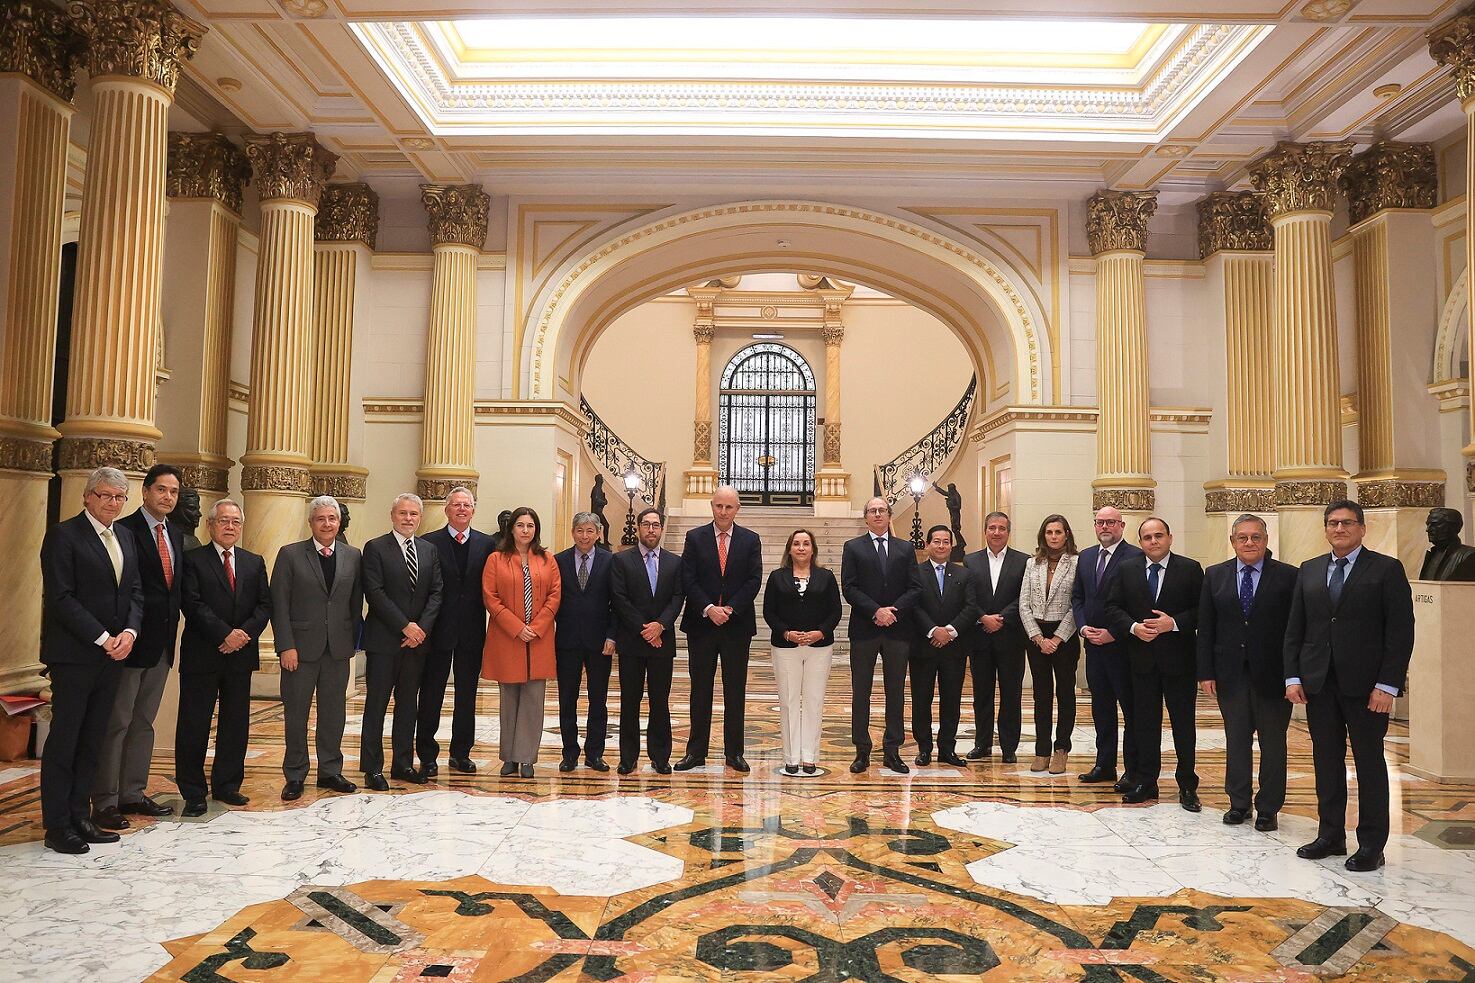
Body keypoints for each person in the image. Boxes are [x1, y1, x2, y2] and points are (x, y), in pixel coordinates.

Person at [1286, 499, 1414, 873]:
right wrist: (1293, 676)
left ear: (1362, 528)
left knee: (1369, 763)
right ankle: (1330, 835)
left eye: (1347, 523)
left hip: (1367, 687)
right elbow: (1296, 628)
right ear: (1325, 529)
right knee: (1326, 761)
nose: (1339, 529)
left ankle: (1372, 844)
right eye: (1332, 523)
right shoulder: (1309, 570)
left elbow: (1400, 632)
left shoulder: (1386, 569)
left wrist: (1388, 684)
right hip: (1319, 683)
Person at [38, 467, 143, 854]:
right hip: (74, 655)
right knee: (65, 740)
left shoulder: (125, 537)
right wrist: (102, 638)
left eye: (119, 497)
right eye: (105, 495)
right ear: (87, 496)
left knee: (93, 738)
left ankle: (81, 817)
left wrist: (129, 633)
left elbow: (135, 591)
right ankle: (57, 825)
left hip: (113, 655)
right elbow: (61, 597)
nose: (112, 503)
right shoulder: (64, 536)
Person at [93, 463, 185, 829]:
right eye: (161, 489)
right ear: (145, 492)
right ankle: (105, 799)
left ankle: (132, 791)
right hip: (129, 644)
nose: (167, 497)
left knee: (144, 722)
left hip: (162, 645)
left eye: (173, 491)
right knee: (117, 722)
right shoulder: (125, 530)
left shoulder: (175, 534)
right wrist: (123, 634)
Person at [1197, 514, 1295, 830]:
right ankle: (1238, 803)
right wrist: (1205, 672)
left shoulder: (1288, 576)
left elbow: (1295, 630)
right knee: (1236, 740)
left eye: (1255, 537)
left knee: (1273, 744)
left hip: (1274, 675)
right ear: (1233, 541)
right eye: (1243, 537)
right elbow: (1206, 627)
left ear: (1266, 539)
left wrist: (1294, 675)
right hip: (1230, 674)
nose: (1249, 542)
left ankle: (1268, 807)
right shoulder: (1215, 575)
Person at [175, 498, 271, 816]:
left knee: (235, 723)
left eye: (235, 522)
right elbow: (192, 603)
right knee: (194, 724)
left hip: (240, 656)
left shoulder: (253, 562)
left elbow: (264, 606)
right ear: (210, 525)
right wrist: (224, 635)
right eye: (223, 521)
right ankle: (193, 791)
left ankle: (227, 785)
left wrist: (241, 635)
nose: (230, 526)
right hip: (203, 653)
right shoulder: (193, 560)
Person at [1106, 516, 1204, 811]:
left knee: (1183, 725)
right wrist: (1134, 627)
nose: (1154, 541)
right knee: (1145, 724)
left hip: (1180, 662)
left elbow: (1202, 611)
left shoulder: (1190, 569)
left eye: (1159, 535)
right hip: (1141, 661)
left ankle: (1187, 784)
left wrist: (1173, 623)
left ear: (1170, 538)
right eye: (1147, 537)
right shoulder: (1127, 569)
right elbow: (1112, 607)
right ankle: (1146, 781)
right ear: (1140, 542)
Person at [270, 495, 361, 801]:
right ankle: (295, 774)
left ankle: (330, 770)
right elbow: (279, 604)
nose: (327, 524)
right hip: (299, 650)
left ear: (339, 522)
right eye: (320, 518)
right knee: (296, 714)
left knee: (334, 713)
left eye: (332, 518)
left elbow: (354, 603)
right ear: (310, 522)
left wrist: (351, 641)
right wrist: (285, 645)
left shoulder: (353, 555)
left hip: (337, 649)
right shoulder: (290, 554)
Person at [677, 486, 763, 773]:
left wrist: (730, 608)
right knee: (700, 690)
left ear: (737, 509)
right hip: (701, 625)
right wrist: (708, 608)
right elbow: (688, 578)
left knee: (735, 691)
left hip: (736, 626)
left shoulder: (750, 540)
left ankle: (734, 753)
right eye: (719, 506)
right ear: (712, 506)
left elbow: (754, 580)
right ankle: (695, 752)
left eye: (729, 507)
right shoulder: (695, 538)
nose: (723, 512)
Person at [361, 493, 444, 790]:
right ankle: (372, 768)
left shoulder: (428, 550)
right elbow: (375, 592)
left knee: (408, 705)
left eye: (413, 514)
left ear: (420, 518)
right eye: (403, 513)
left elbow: (436, 592)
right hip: (385, 641)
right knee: (377, 705)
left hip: (417, 643)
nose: (408, 518)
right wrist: (404, 626)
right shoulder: (375, 548)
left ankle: (403, 763)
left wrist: (421, 629)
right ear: (392, 515)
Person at [841, 496, 922, 774]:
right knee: (861, 691)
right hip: (865, 628)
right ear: (865, 517)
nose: (877, 514)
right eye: (872, 511)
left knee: (895, 691)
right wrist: (876, 611)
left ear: (889, 515)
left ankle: (892, 750)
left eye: (882, 510)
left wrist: (893, 611)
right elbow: (849, 587)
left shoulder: (905, 548)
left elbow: (915, 587)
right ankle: (862, 750)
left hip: (898, 629)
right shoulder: (853, 547)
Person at [417, 486, 493, 776]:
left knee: (467, 695)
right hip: (437, 630)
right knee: (431, 693)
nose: (462, 509)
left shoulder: (487, 544)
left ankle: (461, 753)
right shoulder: (429, 542)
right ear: (447, 510)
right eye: (456, 505)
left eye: (467, 505)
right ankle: (427, 755)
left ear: (473, 511)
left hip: (472, 630)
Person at [482, 506, 561, 778]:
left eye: (530, 525)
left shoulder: (547, 559)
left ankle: (526, 757)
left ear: (536, 529)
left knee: (533, 700)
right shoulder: (496, 559)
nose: (525, 530)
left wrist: (536, 627)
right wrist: (517, 627)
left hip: (539, 639)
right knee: (509, 699)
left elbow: (554, 596)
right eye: (520, 525)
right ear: (511, 529)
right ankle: (509, 757)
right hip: (507, 638)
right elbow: (491, 597)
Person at [1071, 505, 1144, 791]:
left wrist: (1114, 633)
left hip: (1123, 647)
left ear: (1122, 526)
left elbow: (1137, 604)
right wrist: (1083, 627)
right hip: (1093, 647)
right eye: (1100, 522)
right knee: (1101, 708)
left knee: (1130, 710)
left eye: (1111, 522)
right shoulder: (1087, 556)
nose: (1105, 527)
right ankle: (1104, 764)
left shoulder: (1136, 556)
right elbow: (1078, 597)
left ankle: (1132, 769)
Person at [610, 508, 685, 774]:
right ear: (639, 528)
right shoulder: (621, 560)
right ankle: (628, 757)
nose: (651, 529)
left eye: (655, 525)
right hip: (632, 642)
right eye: (646, 524)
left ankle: (660, 756)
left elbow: (678, 597)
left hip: (662, 642)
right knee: (630, 700)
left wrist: (660, 626)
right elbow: (619, 599)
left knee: (659, 701)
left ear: (661, 529)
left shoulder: (675, 562)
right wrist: (645, 629)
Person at [763, 529, 842, 775]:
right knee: (788, 702)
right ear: (789, 549)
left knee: (813, 701)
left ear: (813, 549)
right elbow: (769, 611)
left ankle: (809, 756)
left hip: (819, 647)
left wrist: (821, 632)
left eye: (806, 544)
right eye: (796, 543)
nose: (801, 548)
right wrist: (786, 633)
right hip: (786, 647)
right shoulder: (777, 577)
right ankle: (791, 757)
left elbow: (835, 611)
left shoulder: (826, 577)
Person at [908, 525, 981, 768]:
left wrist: (949, 631)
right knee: (921, 699)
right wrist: (932, 630)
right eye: (936, 541)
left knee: (951, 700)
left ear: (951, 545)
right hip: (923, 646)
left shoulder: (964, 574)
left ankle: (947, 749)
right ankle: (924, 748)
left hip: (954, 648)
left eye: (946, 542)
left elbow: (971, 607)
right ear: (928, 544)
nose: (941, 546)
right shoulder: (915, 573)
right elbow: (913, 606)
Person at [554, 512, 617, 772]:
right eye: (580, 530)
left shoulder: (610, 561)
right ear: (573, 532)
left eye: (590, 531)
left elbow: (616, 603)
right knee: (567, 698)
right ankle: (569, 753)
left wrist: (612, 635)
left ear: (598, 533)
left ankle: (594, 753)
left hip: (599, 642)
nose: (584, 536)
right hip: (567, 640)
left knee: (598, 699)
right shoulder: (558, 561)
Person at [963, 512, 1028, 762]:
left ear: (1008, 532)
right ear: (985, 531)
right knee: (982, 694)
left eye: (1002, 528)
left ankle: (1009, 747)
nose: (997, 532)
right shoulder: (971, 561)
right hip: (980, 637)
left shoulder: (1023, 561)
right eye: (992, 527)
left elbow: (1024, 597)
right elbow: (968, 597)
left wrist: (1000, 618)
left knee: (1011, 694)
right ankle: (982, 743)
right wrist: (983, 617)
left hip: (1011, 637)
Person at [1019, 514, 1081, 775]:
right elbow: (1023, 604)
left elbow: (1077, 604)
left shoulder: (1077, 563)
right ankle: (1042, 750)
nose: (1053, 536)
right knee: (1041, 695)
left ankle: (1061, 749)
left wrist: (1056, 639)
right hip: (1037, 636)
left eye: (1058, 532)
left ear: (1066, 535)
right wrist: (1038, 637)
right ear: (1043, 536)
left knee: (1065, 693)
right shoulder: (1032, 563)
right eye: (1049, 532)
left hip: (1064, 636)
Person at [1419, 506, 1475, 581]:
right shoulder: (1433, 554)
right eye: (1428, 524)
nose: (1428, 529)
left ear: (1453, 527)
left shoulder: (1469, 555)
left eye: (1434, 524)